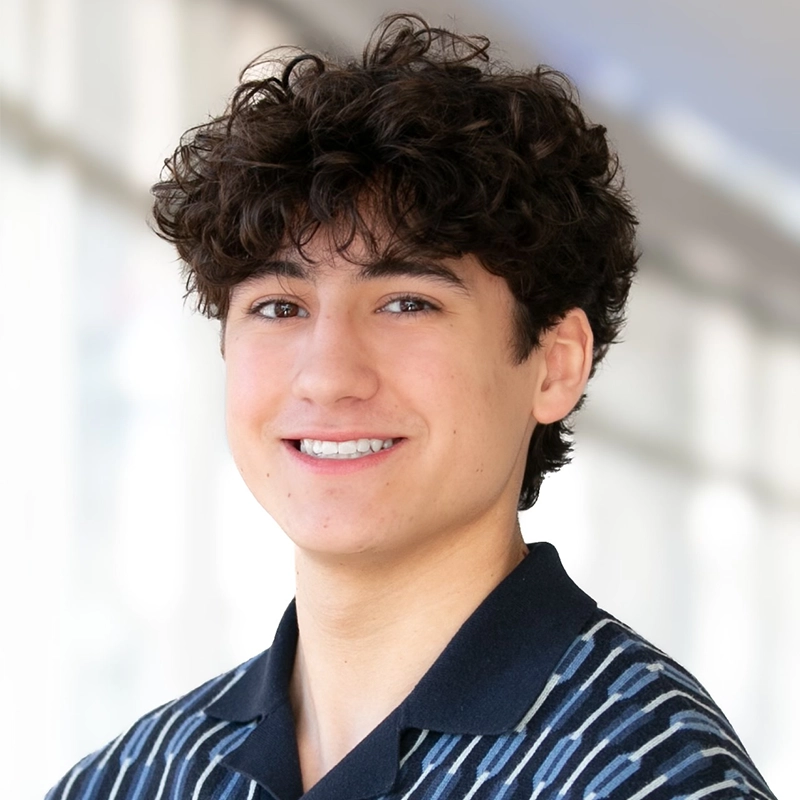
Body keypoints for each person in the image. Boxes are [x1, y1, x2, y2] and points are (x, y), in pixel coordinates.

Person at [47, 13, 776, 800]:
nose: (328, 377)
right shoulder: (137, 777)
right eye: (279, 308)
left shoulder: (644, 774)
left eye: (405, 303)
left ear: (554, 364)